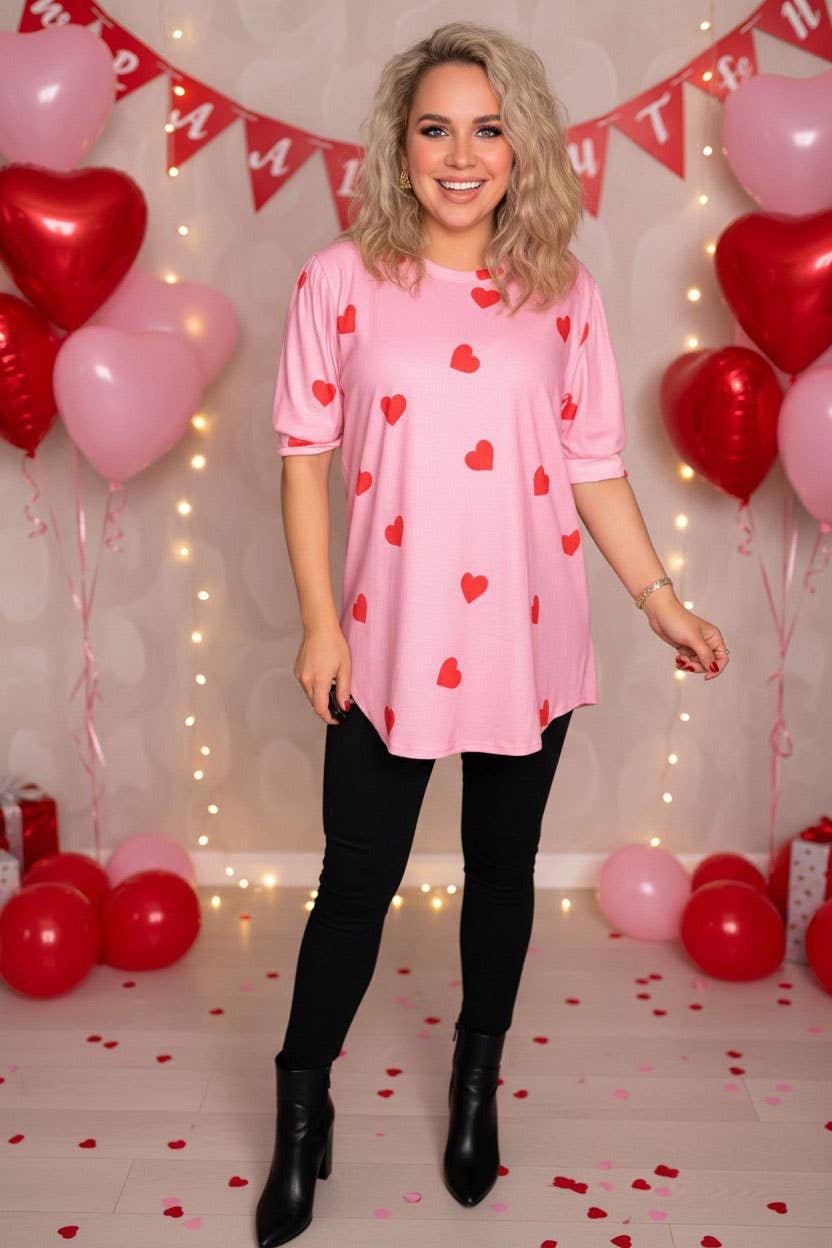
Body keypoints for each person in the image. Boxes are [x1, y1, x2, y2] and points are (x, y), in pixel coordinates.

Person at [255, 19, 730, 1247]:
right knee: (354, 882)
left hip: (529, 634)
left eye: (486, 129)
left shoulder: (561, 294)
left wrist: (660, 600)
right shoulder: (335, 282)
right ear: (399, 146)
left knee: (502, 874)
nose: (461, 156)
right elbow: (304, 462)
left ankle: (476, 1087)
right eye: (436, 130)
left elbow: (593, 466)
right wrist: (318, 626)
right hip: (382, 641)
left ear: (521, 149)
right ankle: (301, 1117)